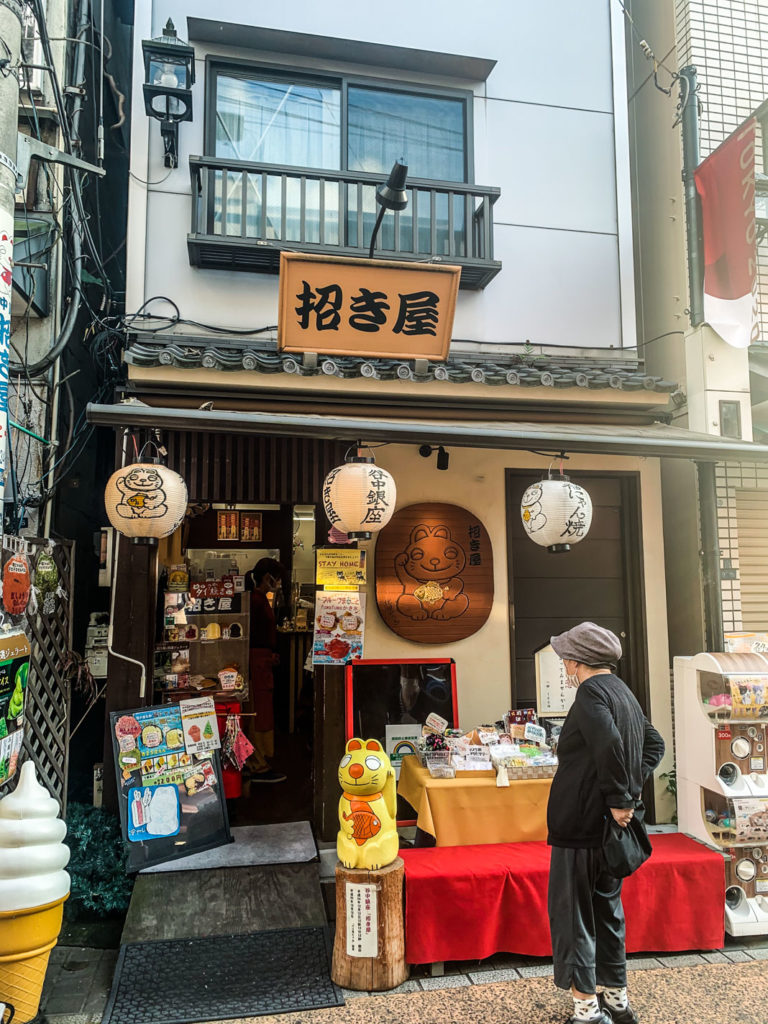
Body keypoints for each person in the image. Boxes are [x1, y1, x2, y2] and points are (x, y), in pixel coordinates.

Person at [546, 622, 665, 1024]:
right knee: (608, 912)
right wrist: (630, 789)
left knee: (574, 915)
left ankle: (586, 1010)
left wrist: (620, 798)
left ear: (576, 661)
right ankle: (616, 1000)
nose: (563, 663)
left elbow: (610, 743)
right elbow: (654, 743)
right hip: (609, 831)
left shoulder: (590, 693)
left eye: (565, 656)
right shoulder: (623, 692)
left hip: (581, 825)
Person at [243, 557, 287, 784]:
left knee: (261, 711)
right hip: (257, 664)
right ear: (267, 576)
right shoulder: (256, 601)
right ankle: (257, 764)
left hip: (262, 662)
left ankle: (258, 761)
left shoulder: (258, 599)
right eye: (276, 577)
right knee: (258, 713)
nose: (278, 582)